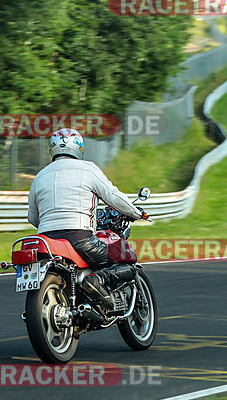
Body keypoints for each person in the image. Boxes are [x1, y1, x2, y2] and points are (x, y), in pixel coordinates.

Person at [28, 128, 144, 306]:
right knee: (124, 256)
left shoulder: (39, 177)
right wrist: (136, 212)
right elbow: (112, 196)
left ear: (51, 148)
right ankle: (96, 282)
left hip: (45, 242)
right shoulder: (88, 169)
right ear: (79, 148)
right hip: (80, 239)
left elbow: (33, 218)